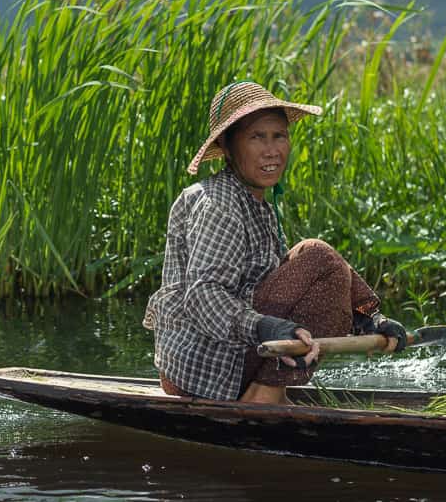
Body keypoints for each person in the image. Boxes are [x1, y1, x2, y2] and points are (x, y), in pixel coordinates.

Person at [142, 81, 407, 404]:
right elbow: (202, 297)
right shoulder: (219, 203)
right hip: (206, 372)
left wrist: (368, 321)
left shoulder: (257, 202)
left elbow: (280, 280)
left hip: (232, 361)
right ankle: (265, 394)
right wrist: (265, 328)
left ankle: (363, 320)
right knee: (319, 257)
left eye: (279, 136)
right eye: (257, 137)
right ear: (227, 146)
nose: (272, 150)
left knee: (310, 256)